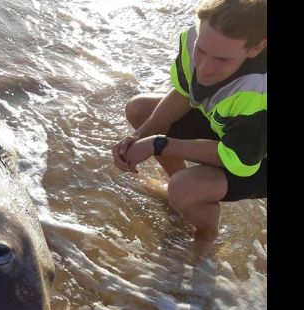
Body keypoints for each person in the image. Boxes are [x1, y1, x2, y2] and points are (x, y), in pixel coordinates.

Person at [112, 0, 266, 245]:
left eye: (222, 59)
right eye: (201, 51)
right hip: (230, 128)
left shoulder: (260, 90)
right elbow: (185, 93)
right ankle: (182, 196)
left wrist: (159, 144)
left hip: (255, 158)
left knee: (184, 188)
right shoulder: (195, 36)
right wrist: (141, 135)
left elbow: (240, 161)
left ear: (257, 48)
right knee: (139, 109)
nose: (204, 69)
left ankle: (206, 233)